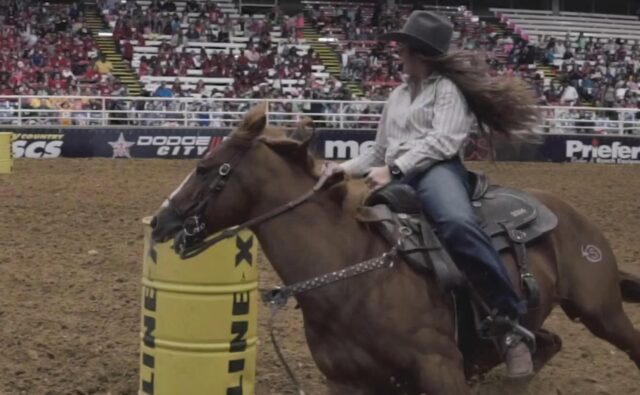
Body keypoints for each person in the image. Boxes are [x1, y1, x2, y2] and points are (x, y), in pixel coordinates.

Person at [323, 11, 540, 379]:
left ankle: (509, 323)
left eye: (404, 48)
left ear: (420, 54)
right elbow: (377, 150)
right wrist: (342, 170)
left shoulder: (447, 91)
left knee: (456, 224)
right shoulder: (396, 95)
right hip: (393, 171)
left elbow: (443, 141)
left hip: (436, 171)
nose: (399, 54)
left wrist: (394, 170)